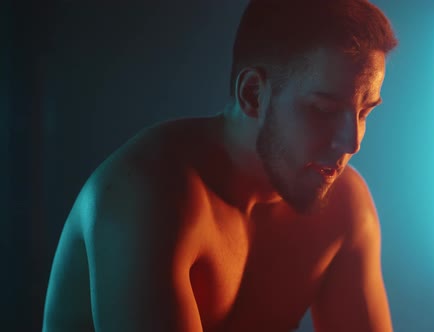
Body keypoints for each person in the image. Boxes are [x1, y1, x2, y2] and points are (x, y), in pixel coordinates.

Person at [42, 0, 398, 331]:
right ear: (253, 94)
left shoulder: (344, 207)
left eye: (365, 111)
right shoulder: (148, 194)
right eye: (323, 110)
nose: (351, 142)